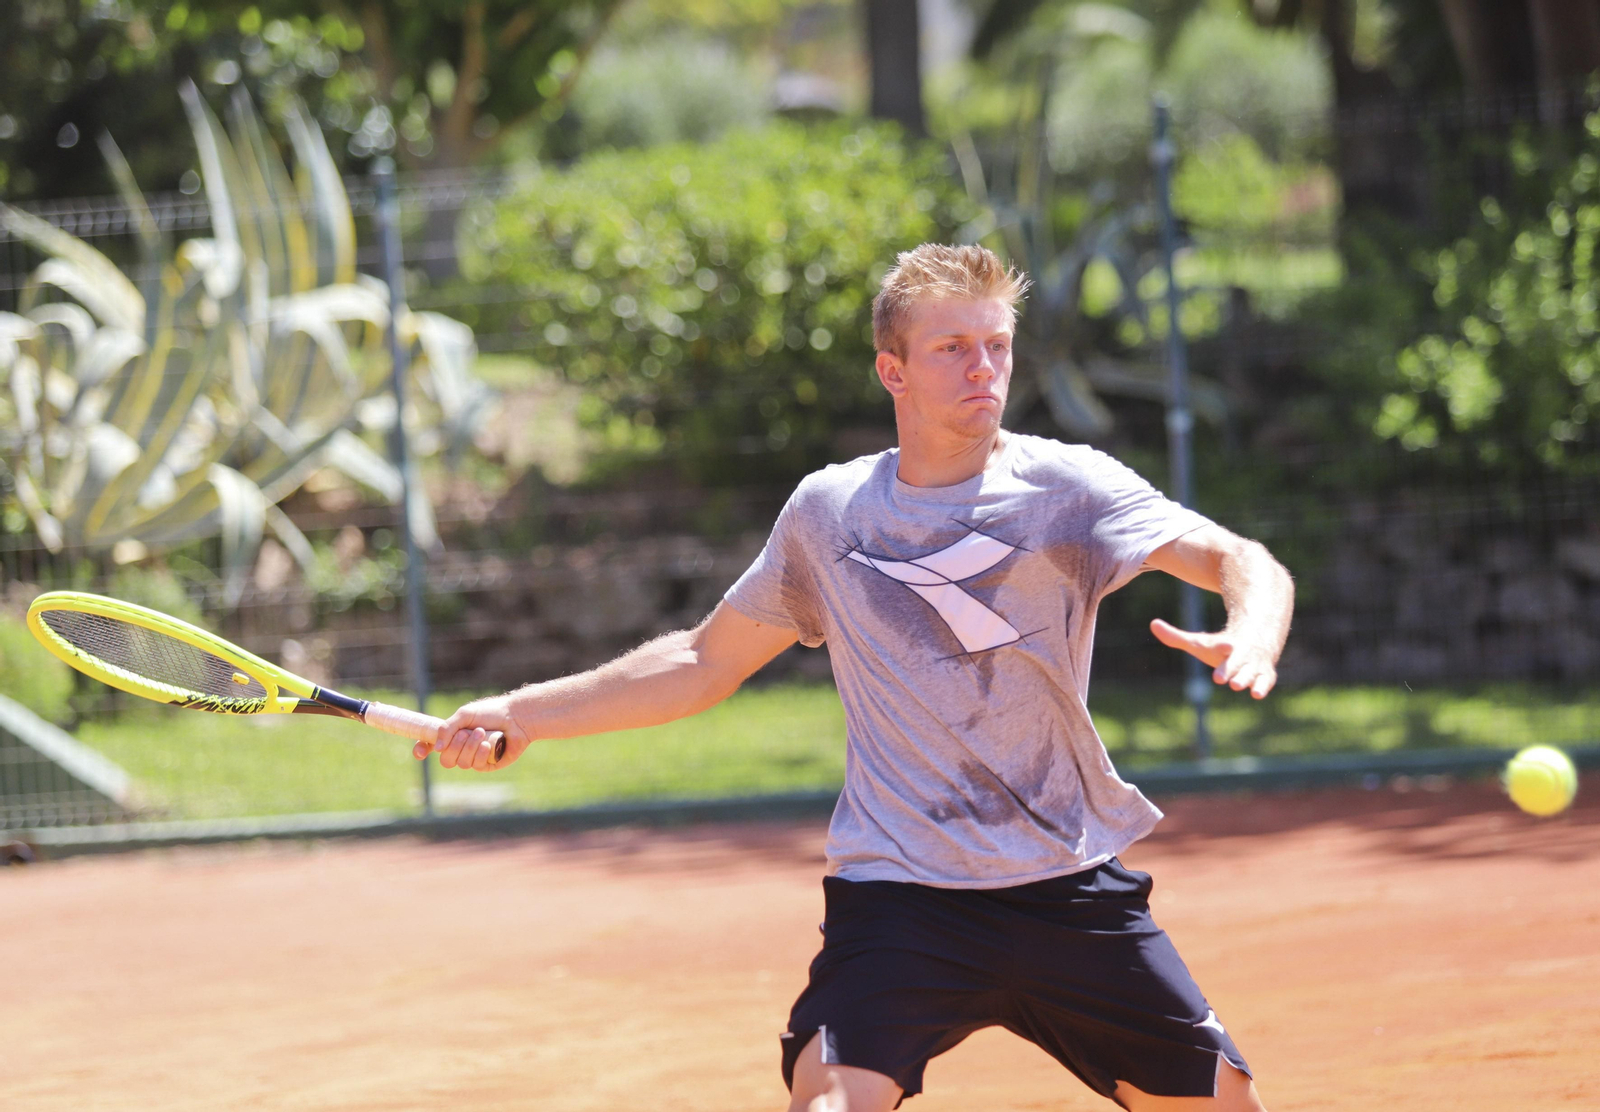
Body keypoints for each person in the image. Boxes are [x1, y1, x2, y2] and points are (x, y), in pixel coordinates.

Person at [422, 243, 1293, 1112]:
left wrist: (1252, 629)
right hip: (901, 900)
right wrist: (523, 714)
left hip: (1066, 883)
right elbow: (702, 660)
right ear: (894, 369)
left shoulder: (1070, 489)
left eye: (996, 345)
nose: (982, 368)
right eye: (952, 348)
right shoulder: (831, 514)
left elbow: (1238, 557)